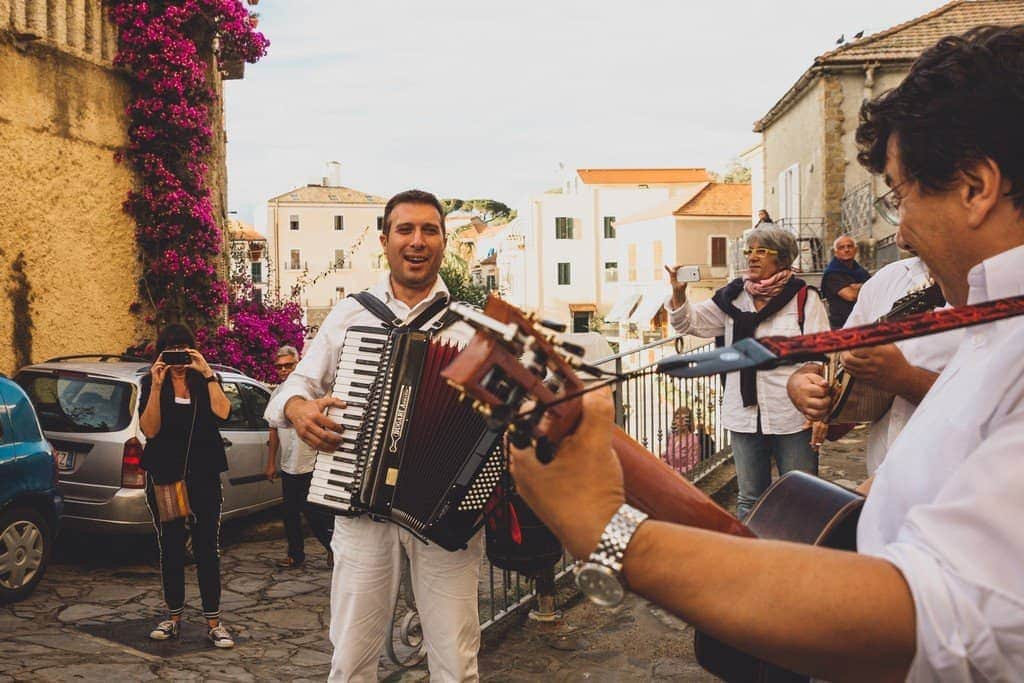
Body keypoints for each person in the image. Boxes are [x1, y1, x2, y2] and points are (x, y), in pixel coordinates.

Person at [510, 25, 1024, 681]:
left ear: (977, 187)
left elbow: (933, 616)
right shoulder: (992, 324)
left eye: (901, 195)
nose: (899, 229)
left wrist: (607, 532)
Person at [264, 190, 483, 682]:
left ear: (444, 242)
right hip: (359, 510)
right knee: (351, 659)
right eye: (405, 230)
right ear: (384, 240)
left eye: (430, 230)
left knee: (456, 662)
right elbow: (293, 387)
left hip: (444, 521)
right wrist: (298, 409)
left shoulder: (471, 329)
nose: (417, 241)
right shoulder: (350, 315)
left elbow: (502, 423)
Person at [664, 224, 829, 519]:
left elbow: (820, 355)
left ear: (782, 259)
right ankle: (753, 561)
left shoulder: (805, 298)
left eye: (761, 252)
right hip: (742, 414)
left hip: (791, 414)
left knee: (803, 498)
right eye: (748, 251)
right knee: (749, 499)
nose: (751, 258)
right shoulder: (732, 297)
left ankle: (799, 560)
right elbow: (690, 323)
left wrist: (817, 412)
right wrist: (678, 294)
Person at [788, 255, 963, 474]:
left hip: (958, 485)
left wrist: (906, 380)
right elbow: (839, 355)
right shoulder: (888, 277)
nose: (899, 234)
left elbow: (1004, 410)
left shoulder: (1008, 290)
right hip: (882, 473)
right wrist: (805, 379)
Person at [138, 324, 235, 649]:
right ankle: (174, 617)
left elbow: (223, 412)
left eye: (183, 349)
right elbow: (150, 430)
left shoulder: (203, 380)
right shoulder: (152, 383)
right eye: (171, 350)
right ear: (162, 353)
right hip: (167, 478)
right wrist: (155, 385)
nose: (178, 358)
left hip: (204, 475)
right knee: (172, 547)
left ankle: (214, 621)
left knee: (207, 549)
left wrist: (207, 373)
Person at [264, 345, 334, 569]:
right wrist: (270, 463)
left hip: (312, 464)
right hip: (289, 466)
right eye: (280, 366)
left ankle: (333, 548)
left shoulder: (316, 393)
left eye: (288, 365)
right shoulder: (278, 395)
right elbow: (273, 430)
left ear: (298, 364)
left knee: (315, 514)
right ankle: (296, 554)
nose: (283, 370)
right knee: (290, 514)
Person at [821, 235, 871, 328]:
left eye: (850, 246)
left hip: (864, 321)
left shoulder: (861, 271)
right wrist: (866, 287)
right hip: (842, 325)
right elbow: (850, 296)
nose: (846, 250)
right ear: (836, 252)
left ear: (855, 250)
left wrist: (858, 287)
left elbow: (875, 290)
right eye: (841, 247)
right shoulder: (832, 273)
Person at [660, 406, 701, 475]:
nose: (680, 421)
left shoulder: (693, 440)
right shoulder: (672, 436)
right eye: (677, 418)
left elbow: (693, 465)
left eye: (683, 418)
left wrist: (672, 470)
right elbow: (666, 455)